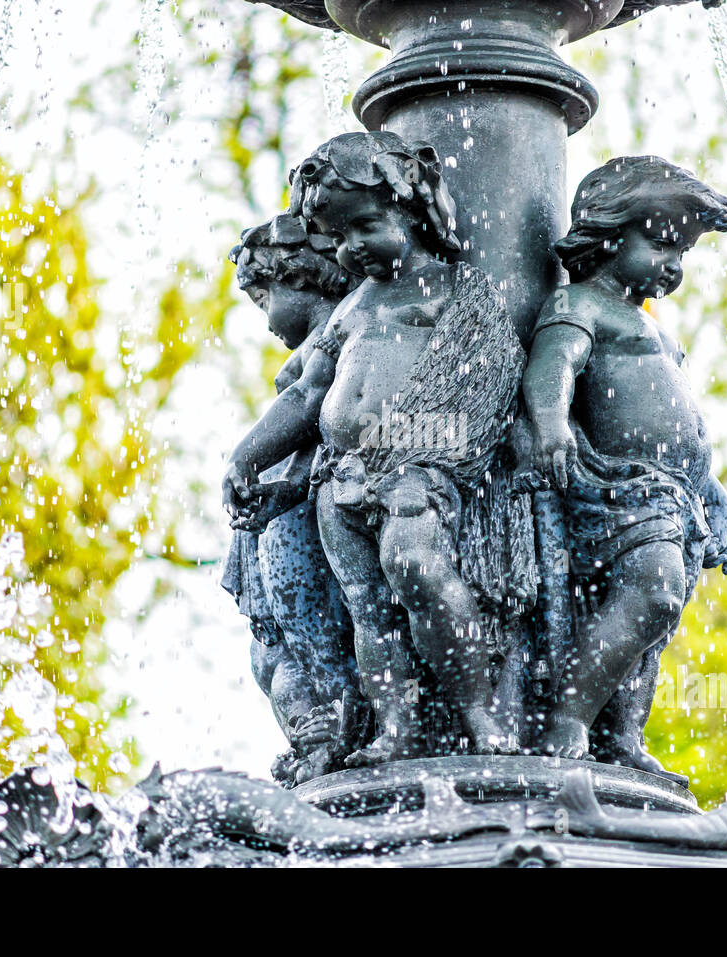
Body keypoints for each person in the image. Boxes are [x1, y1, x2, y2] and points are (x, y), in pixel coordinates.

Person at [223, 132, 525, 764]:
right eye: (337, 238)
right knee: (368, 608)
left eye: (364, 226)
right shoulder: (353, 306)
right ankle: (396, 727)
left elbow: (489, 370)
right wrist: (247, 456)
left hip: (417, 458)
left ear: (411, 209)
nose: (350, 248)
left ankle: (480, 711)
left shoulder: (455, 292)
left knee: (417, 567)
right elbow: (308, 394)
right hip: (341, 474)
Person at [522, 155, 727, 778]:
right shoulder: (581, 304)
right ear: (609, 233)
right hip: (620, 490)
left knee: (656, 629)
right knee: (653, 593)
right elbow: (553, 367)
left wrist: (712, 492)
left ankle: (621, 733)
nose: (674, 265)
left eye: (684, 253)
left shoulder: (657, 331)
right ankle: (566, 720)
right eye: (663, 244)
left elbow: (685, 420)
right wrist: (551, 424)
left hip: (676, 496)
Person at [221, 213, 362, 785]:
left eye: (263, 298)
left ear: (305, 277)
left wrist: (244, 458)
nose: (265, 318)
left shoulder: (342, 339)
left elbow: (314, 411)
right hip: (279, 518)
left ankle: (334, 731)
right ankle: (316, 736)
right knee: (274, 650)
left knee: (314, 634)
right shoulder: (326, 345)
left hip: (302, 520)